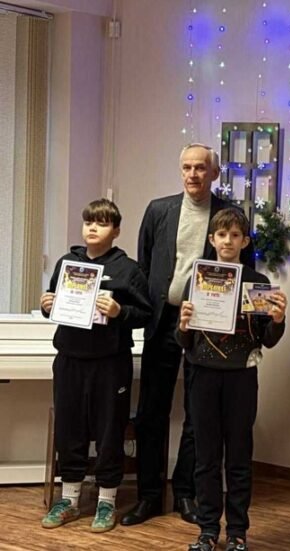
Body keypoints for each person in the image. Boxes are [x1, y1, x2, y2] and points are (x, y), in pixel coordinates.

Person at [122, 144, 255, 526]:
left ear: (214, 173)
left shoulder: (228, 216)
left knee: (199, 416)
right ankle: (149, 496)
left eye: (200, 168)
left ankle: (185, 492)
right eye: (186, 167)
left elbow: (244, 271)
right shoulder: (158, 210)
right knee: (152, 410)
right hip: (164, 320)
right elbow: (145, 265)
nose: (193, 174)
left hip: (208, 327)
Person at [176, 208, 287, 551]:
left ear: (245, 241)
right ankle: (208, 530)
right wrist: (183, 325)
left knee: (239, 457)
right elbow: (184, 340)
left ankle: (237, 532)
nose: (228, 241)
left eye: (235, 235)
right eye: (222, 235)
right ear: (212, 239)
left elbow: (267, 339)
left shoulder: (258, 282)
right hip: (202, 374)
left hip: (241, 377)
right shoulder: (197, 279)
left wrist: (278, 320)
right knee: (206, 458)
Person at [40, 199, 152, 532]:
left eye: (102, 223)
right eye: (89, 221)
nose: (93, 228)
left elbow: (145, 314)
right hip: (69, 359)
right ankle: (69, 500)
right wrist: (47, 305)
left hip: (110, 363)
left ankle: (106, 501)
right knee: (69, 429)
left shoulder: (128, 269)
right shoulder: (67, 263)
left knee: (109, 431)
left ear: (116, 231)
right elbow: (55, 304)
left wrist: (120, 312)